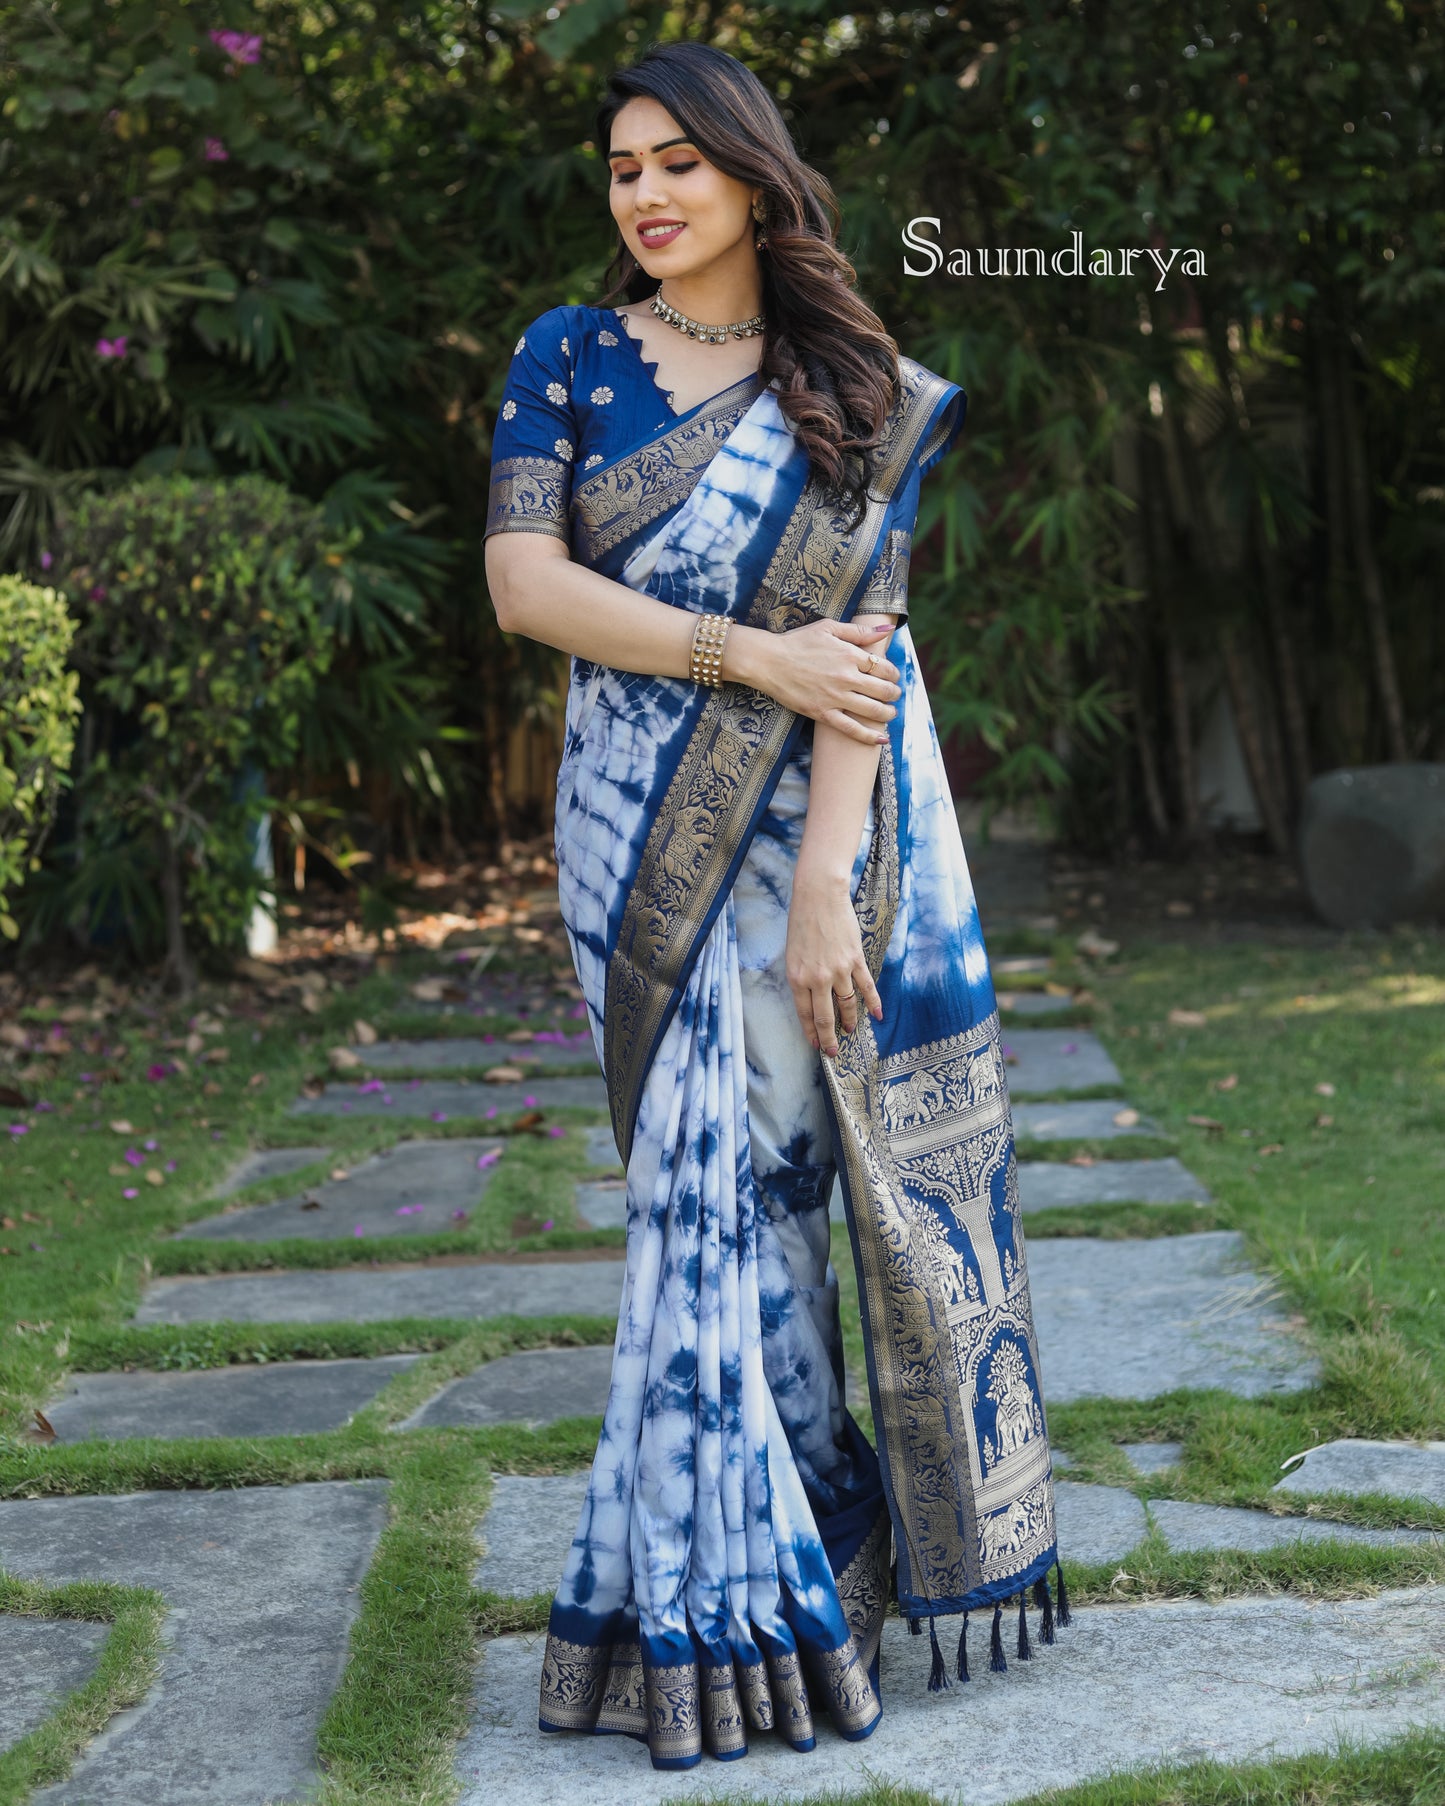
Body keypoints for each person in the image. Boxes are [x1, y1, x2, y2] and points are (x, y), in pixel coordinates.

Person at [483, 40, 1067, 1774]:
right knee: (694, 1198)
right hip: (633, 837)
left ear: (750, 173)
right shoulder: (567, 354)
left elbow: (862, 660)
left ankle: (806, 1547)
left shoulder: (854, 381)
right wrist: (745, 652)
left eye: (678, 161)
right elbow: (525, 587)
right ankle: (753, 1584)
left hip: (816, 839)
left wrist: (824, 894)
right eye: (622, 169)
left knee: (788, 1195)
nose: (646, 194)